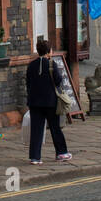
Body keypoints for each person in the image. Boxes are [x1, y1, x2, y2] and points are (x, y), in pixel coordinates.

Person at [26, 36, 72, 165]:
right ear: (49, 51)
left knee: (36, 130)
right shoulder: (52, 64)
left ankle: (35, 157)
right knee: (55, 128)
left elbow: (28, 83)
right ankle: (61, 153)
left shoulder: (31, 65)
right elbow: (58, 80)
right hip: (51, 102)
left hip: (34, 102)